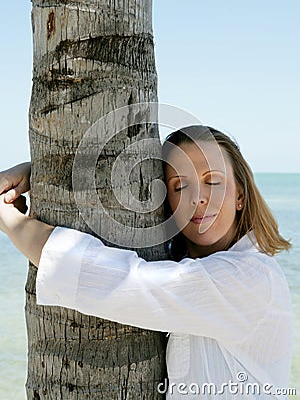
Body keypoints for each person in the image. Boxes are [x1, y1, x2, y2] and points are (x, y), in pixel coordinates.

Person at [0, 125, 293, 399]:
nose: (198, 198)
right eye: (180, 186)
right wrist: (38, 175)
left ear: (240, 195)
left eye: (213, 181)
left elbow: (128, 283)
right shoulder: (186, 265)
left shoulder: (252, 279)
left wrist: (12, 222)